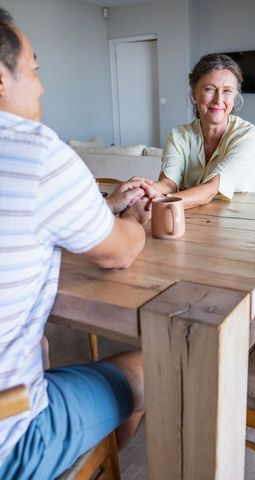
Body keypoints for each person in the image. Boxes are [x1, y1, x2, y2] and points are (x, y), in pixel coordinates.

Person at [0, 8, 150, 479]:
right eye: (36, 69)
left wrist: (104, 205)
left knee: (41, 344)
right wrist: (137, 221)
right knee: (152, 367)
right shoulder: (36, 151)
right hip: (10, 442)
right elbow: (122, 252)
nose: (43, 86)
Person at [149, 53, 255, 209]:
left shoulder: (249, 135)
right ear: (194, 94)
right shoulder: (178, 136)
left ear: (235, 96)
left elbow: (211, 189)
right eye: (210, 89)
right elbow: (168, 184)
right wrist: (145, 189)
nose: (218, 100)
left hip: (244, 221)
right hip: (197, 218)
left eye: (227, 91)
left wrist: (159, 204)